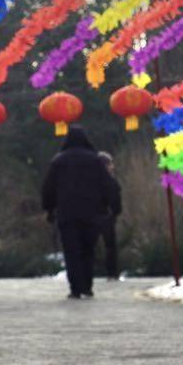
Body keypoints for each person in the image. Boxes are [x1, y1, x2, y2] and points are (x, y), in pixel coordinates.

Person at [40, 128, 112, 299]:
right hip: (92, 214)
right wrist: (106, 206)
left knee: (71, 252)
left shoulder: (59, 161)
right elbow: (107, 185)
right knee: (88, 250)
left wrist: (49, 208)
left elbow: (48, 188)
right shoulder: (95, 161)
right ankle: (87, 286)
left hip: (67, 214)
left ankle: (75, 288)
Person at [96, 151, 123, 281]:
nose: (112, 166)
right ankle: (112, 273)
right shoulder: (110, 181)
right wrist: (115, 212)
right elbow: (116, 198)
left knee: (91, 246)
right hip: (107, 215)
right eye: (110, 163)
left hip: (93, 215)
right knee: (110, 246)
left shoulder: (90, 181)